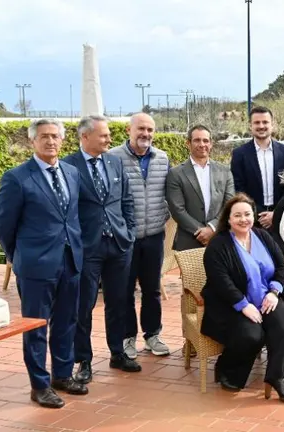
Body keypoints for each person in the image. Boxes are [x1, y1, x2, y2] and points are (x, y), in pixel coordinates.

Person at [0, 119, 87, 408]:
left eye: (55, 136)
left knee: (66, 321)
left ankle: (62, 374)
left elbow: (72, 217)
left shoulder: (72, 173)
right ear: (33, 141)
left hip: (70, 259)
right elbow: (5, 225)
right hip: (36, 265)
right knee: (36, 327)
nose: (51, 141)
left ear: (63, 141)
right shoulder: (17, 178)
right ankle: (39, 385)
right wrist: (19, 255)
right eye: (45, 137)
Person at [63, 116, 142, 385]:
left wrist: (129, 232)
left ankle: (117, 353)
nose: (109, 139)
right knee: (83, 305)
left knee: (118, 301)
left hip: (119, 244)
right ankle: (83, 360)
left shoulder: (114, 161)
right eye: (104, 135)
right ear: (85, 137)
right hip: (86, 247)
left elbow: (126, 200)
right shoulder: (68, 167)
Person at [200, 194, 284, 402]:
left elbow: (280, 266)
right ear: (228, 219)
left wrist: (274, 292)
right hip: (230, 303)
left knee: (282, 322)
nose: (243, 219)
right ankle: (227, 368)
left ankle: (277, 378)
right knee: (252, 335)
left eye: (247, 214)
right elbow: (221, 282)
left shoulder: (263, 236)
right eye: (238, 215)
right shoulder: (218, 244)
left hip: (266, 296)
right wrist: (243, 305)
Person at [109, 113, 171, 359]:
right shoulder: (113, 157)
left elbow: (170, 191)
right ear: (129, 130)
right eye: (141, 129)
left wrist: (163, 215)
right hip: (126, 238)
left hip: (154, 235)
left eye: (150, 130)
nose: (146, 134)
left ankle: (152, 335)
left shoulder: (162, 158)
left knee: (152, 289)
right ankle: (127, 338)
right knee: (125, 290)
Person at [167, 125, 235, 250]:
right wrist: (201, 231)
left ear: (211, 144)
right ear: (188, 143)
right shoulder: (175, 173)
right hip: (189, 240)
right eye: (197, 140)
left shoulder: (225, 171)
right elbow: (177, 209)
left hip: (219, 238)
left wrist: (212, 228)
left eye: (205, 140)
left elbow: (229, 204)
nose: (202, 144)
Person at [230, 106, 284, 229]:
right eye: (257, 122)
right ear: (250, 126)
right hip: (251, 219)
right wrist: (259, 214)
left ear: (272, 124)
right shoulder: (239, 154)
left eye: (265, 122)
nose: (261, 126)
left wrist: (276, 213)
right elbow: (238, 188)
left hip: (280, 217)